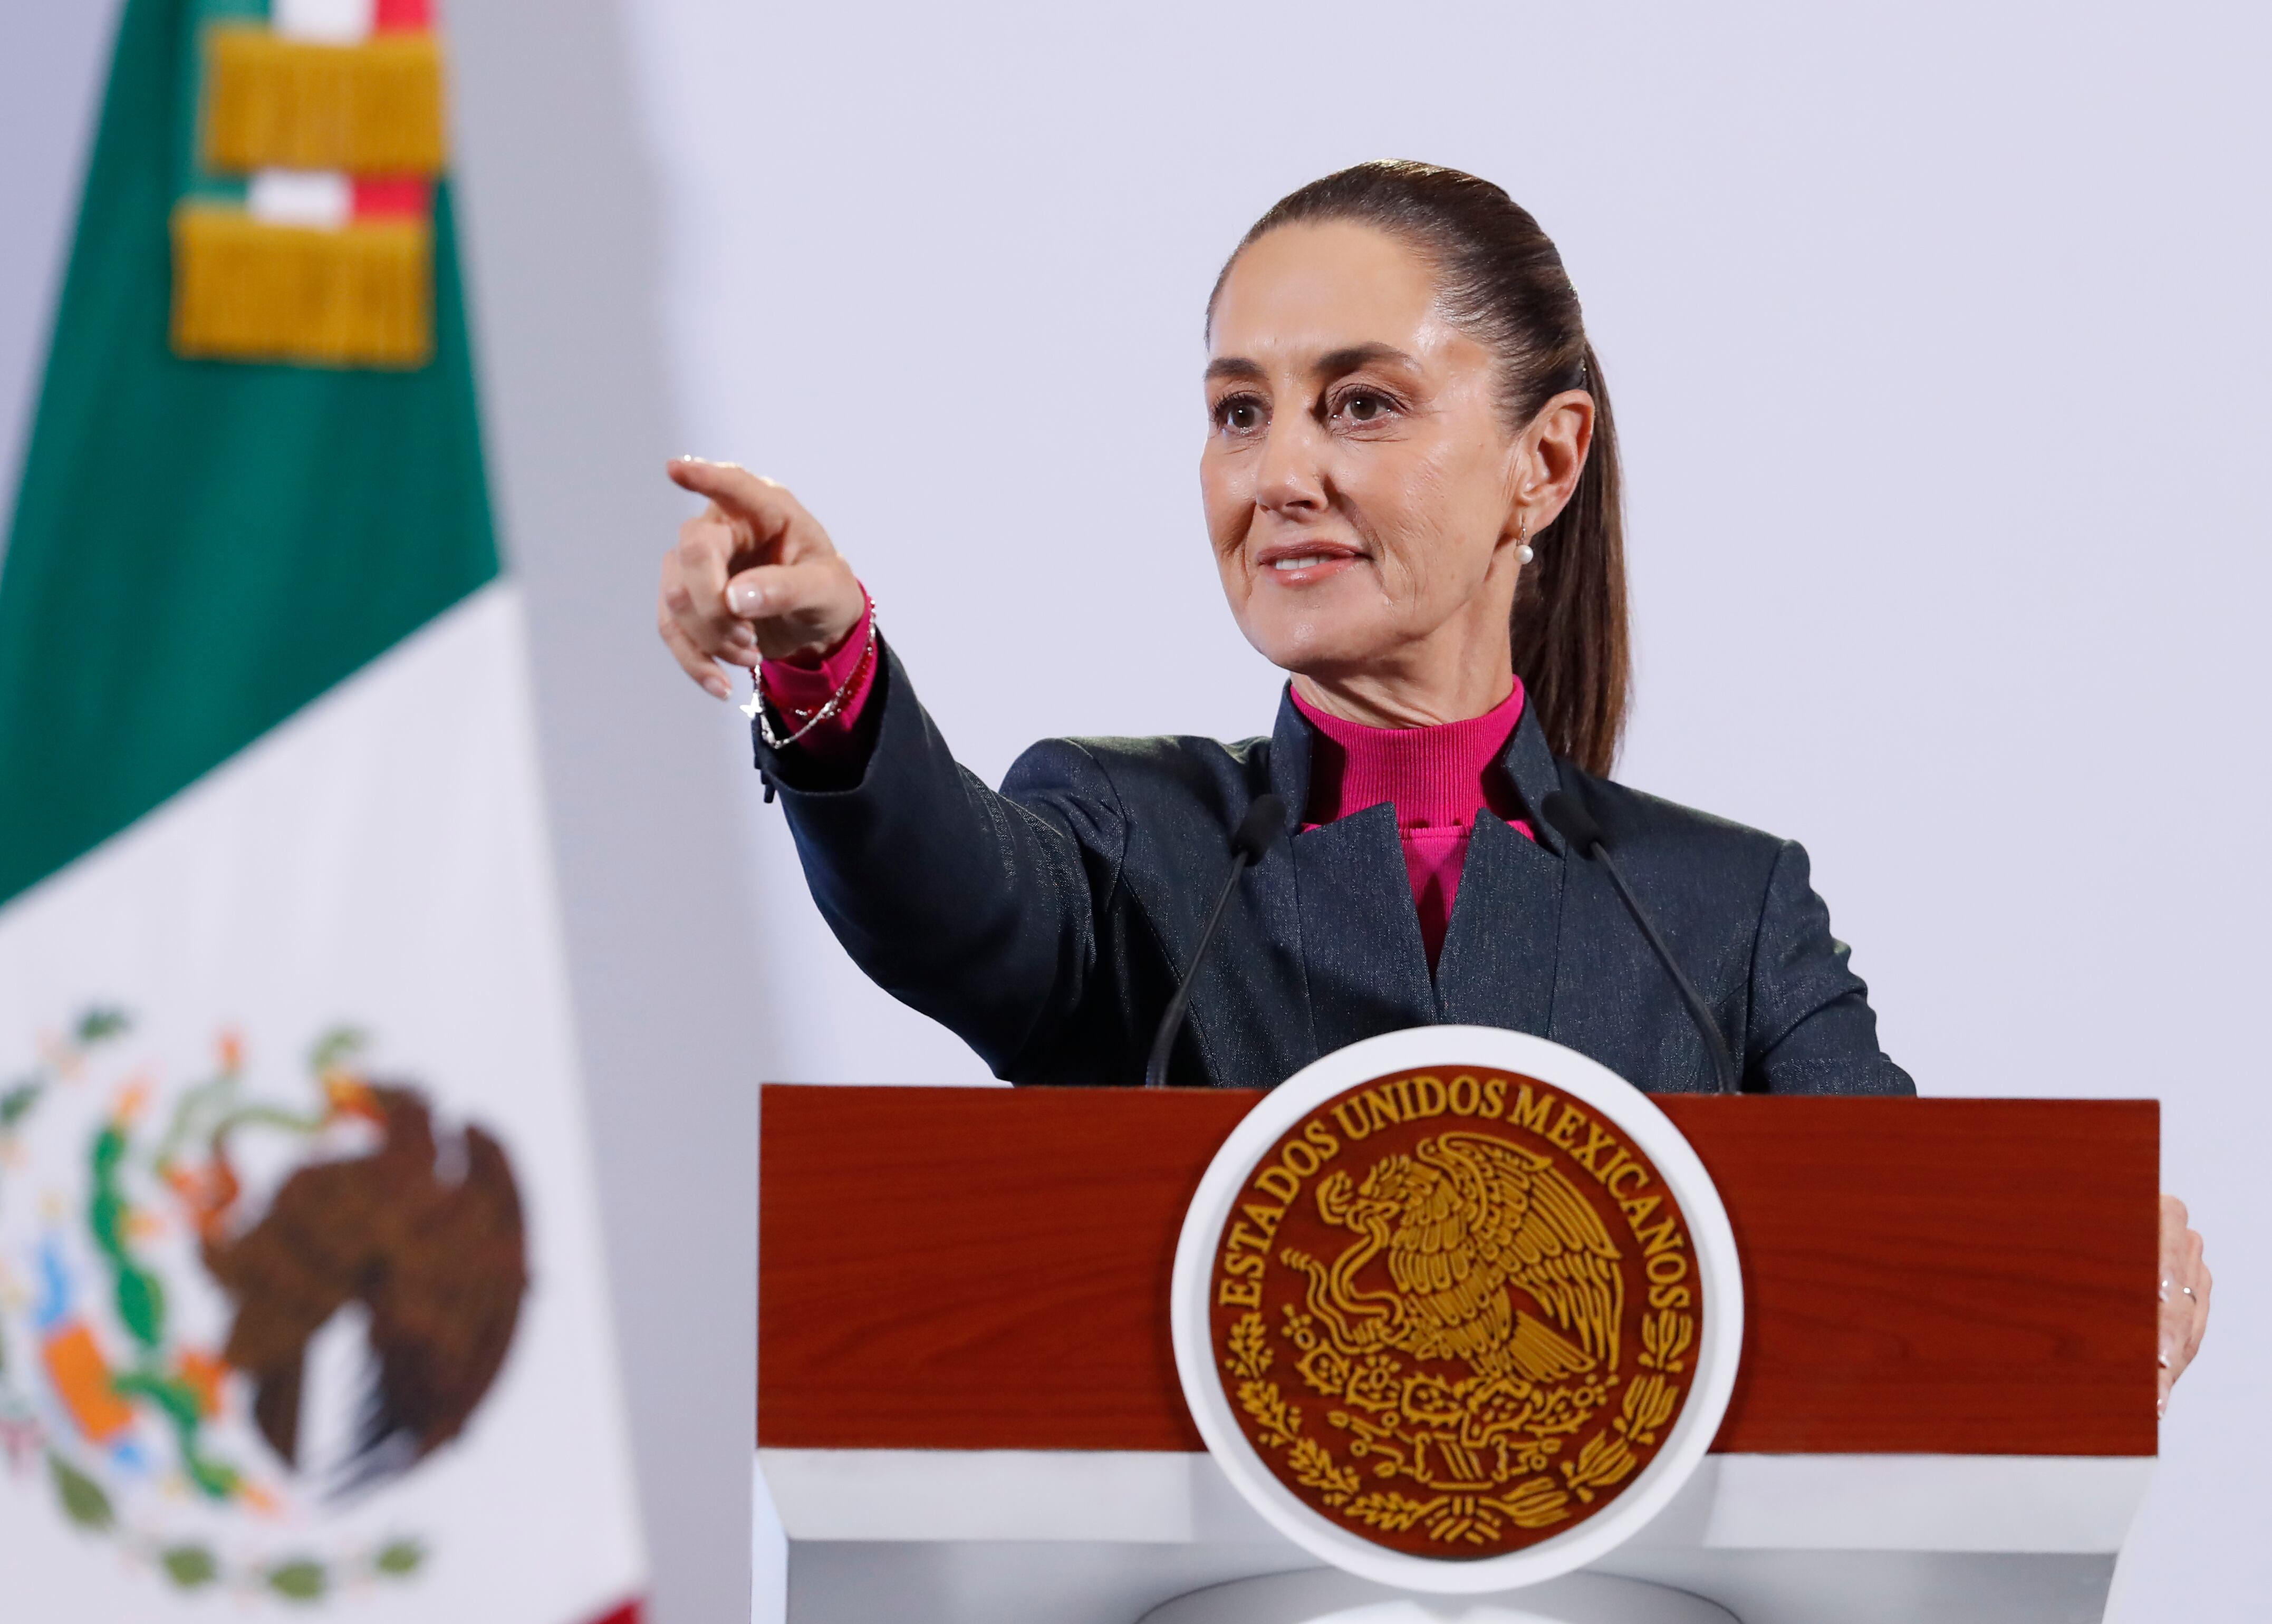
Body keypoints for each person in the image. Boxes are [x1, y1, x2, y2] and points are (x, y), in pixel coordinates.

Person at [653, 160, 2207, 1407]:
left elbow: (1910, 1247)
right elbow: (950, 903)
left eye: (1363, 402)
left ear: (1542, 461)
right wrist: (829, 665)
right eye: (1237, 410)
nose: (1278, 476)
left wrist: (2069, 1255)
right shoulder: (1134, 842)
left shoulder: (1720, 913)